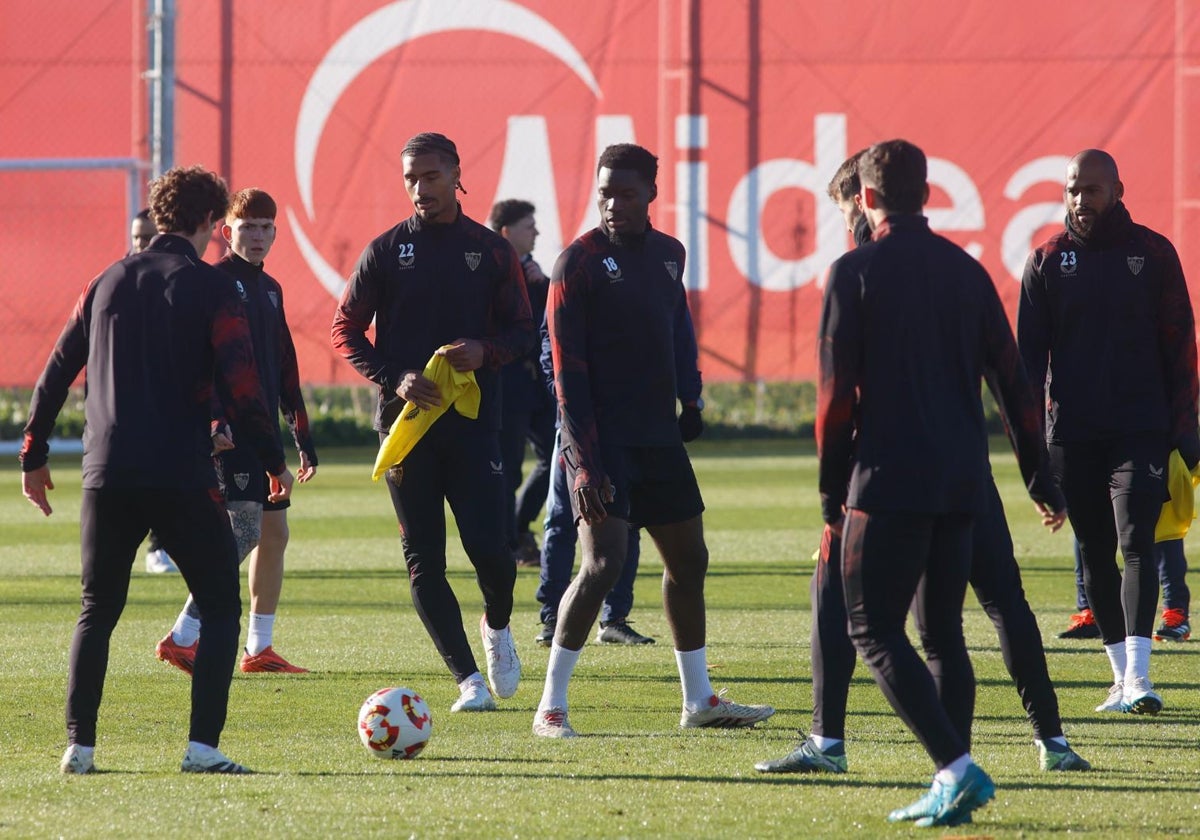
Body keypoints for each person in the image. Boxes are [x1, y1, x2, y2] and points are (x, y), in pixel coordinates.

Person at [757, 153, 1088, 779]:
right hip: (965, 475)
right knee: (974, 617)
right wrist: (1040, 477)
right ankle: (1048, 740)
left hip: (885, 479)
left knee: (859, 616)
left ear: (866, 198)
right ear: (928, 192)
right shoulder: (966, 271)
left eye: (846, 207)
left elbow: (834, 401)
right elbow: (1014, 383)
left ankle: (883, 753)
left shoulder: (854, 272)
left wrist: (832, 496)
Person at [20, 164, 294, 775]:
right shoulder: (213, 288)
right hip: (181, 473)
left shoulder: (107, 279)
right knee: (222, 604)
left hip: (106, 473)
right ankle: (201, 749)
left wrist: (34, 455)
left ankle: (80, 748)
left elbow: (56, 370)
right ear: (207, 221)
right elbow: (244, 387)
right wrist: (275, 460)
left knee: (97, 609)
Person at [532, 142, 772, 738]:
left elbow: (677, 330)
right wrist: (582, 466)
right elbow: (564, 374)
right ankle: (551, 707)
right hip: (600, 441)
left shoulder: (670, 255)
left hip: (657, 438)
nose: (613, 203)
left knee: (690, 561)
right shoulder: (576, 264)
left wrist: (690, 396)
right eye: (605, 190)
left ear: (651, 196)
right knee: (604, 565)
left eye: (626, 192)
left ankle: (698, 701)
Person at [332, 132, 534, 712]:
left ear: (455, 175)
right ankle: (468, 680)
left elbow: (523, 331)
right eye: (410, 179)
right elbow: (344, 331)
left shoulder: (492, 252)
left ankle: (497, 626)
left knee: (492, 552)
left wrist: (484, 351)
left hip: (473, 426)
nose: (420, 188)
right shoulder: (384, 250)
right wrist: (393, 376)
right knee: (423, 559)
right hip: (407, 426)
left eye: (430, 176)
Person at [1018, 149, 1200, 714]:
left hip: (1141, 429)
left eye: (1093, 189)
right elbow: (1025, 365)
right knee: (1095, 552)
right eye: (1073, 188)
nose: (1081, 198)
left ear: (1118, 189)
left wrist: (1186, 434)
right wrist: (1033, 454)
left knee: (1135, 541)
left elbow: (1181, 347)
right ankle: (1120, 678)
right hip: (1073, 434)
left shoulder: (1153, 253)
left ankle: (1142, 679)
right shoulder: (1046, 260)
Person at [155, 188, 318, 676]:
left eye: (267, 227)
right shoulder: (214, 283)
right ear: (226, 232)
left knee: (273, 534)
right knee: (243, 532)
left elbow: (284, 364)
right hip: (230, 434)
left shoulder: (270, 288)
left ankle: (258, 648)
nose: (259, 236)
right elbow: (195, 361)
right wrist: (212, 420)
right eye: (248, 227)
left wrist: (302, 435)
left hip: (262, 432)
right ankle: (184, 635)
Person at [489, 200, 556, 568]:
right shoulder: (489, 270)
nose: (537, 232)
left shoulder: (532, 271)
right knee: (507, 464)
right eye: (529, 226)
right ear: (506, 232)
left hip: (534, 382)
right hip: (506, 380)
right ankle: (506, 542)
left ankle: (516, 527)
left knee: (557, 454)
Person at [128, 208, 182, 576]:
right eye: (137, 237)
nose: (143, 245)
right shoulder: (118, 282)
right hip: (128, 399)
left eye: (150, 236)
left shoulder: (184, 282)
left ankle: (160, 545)